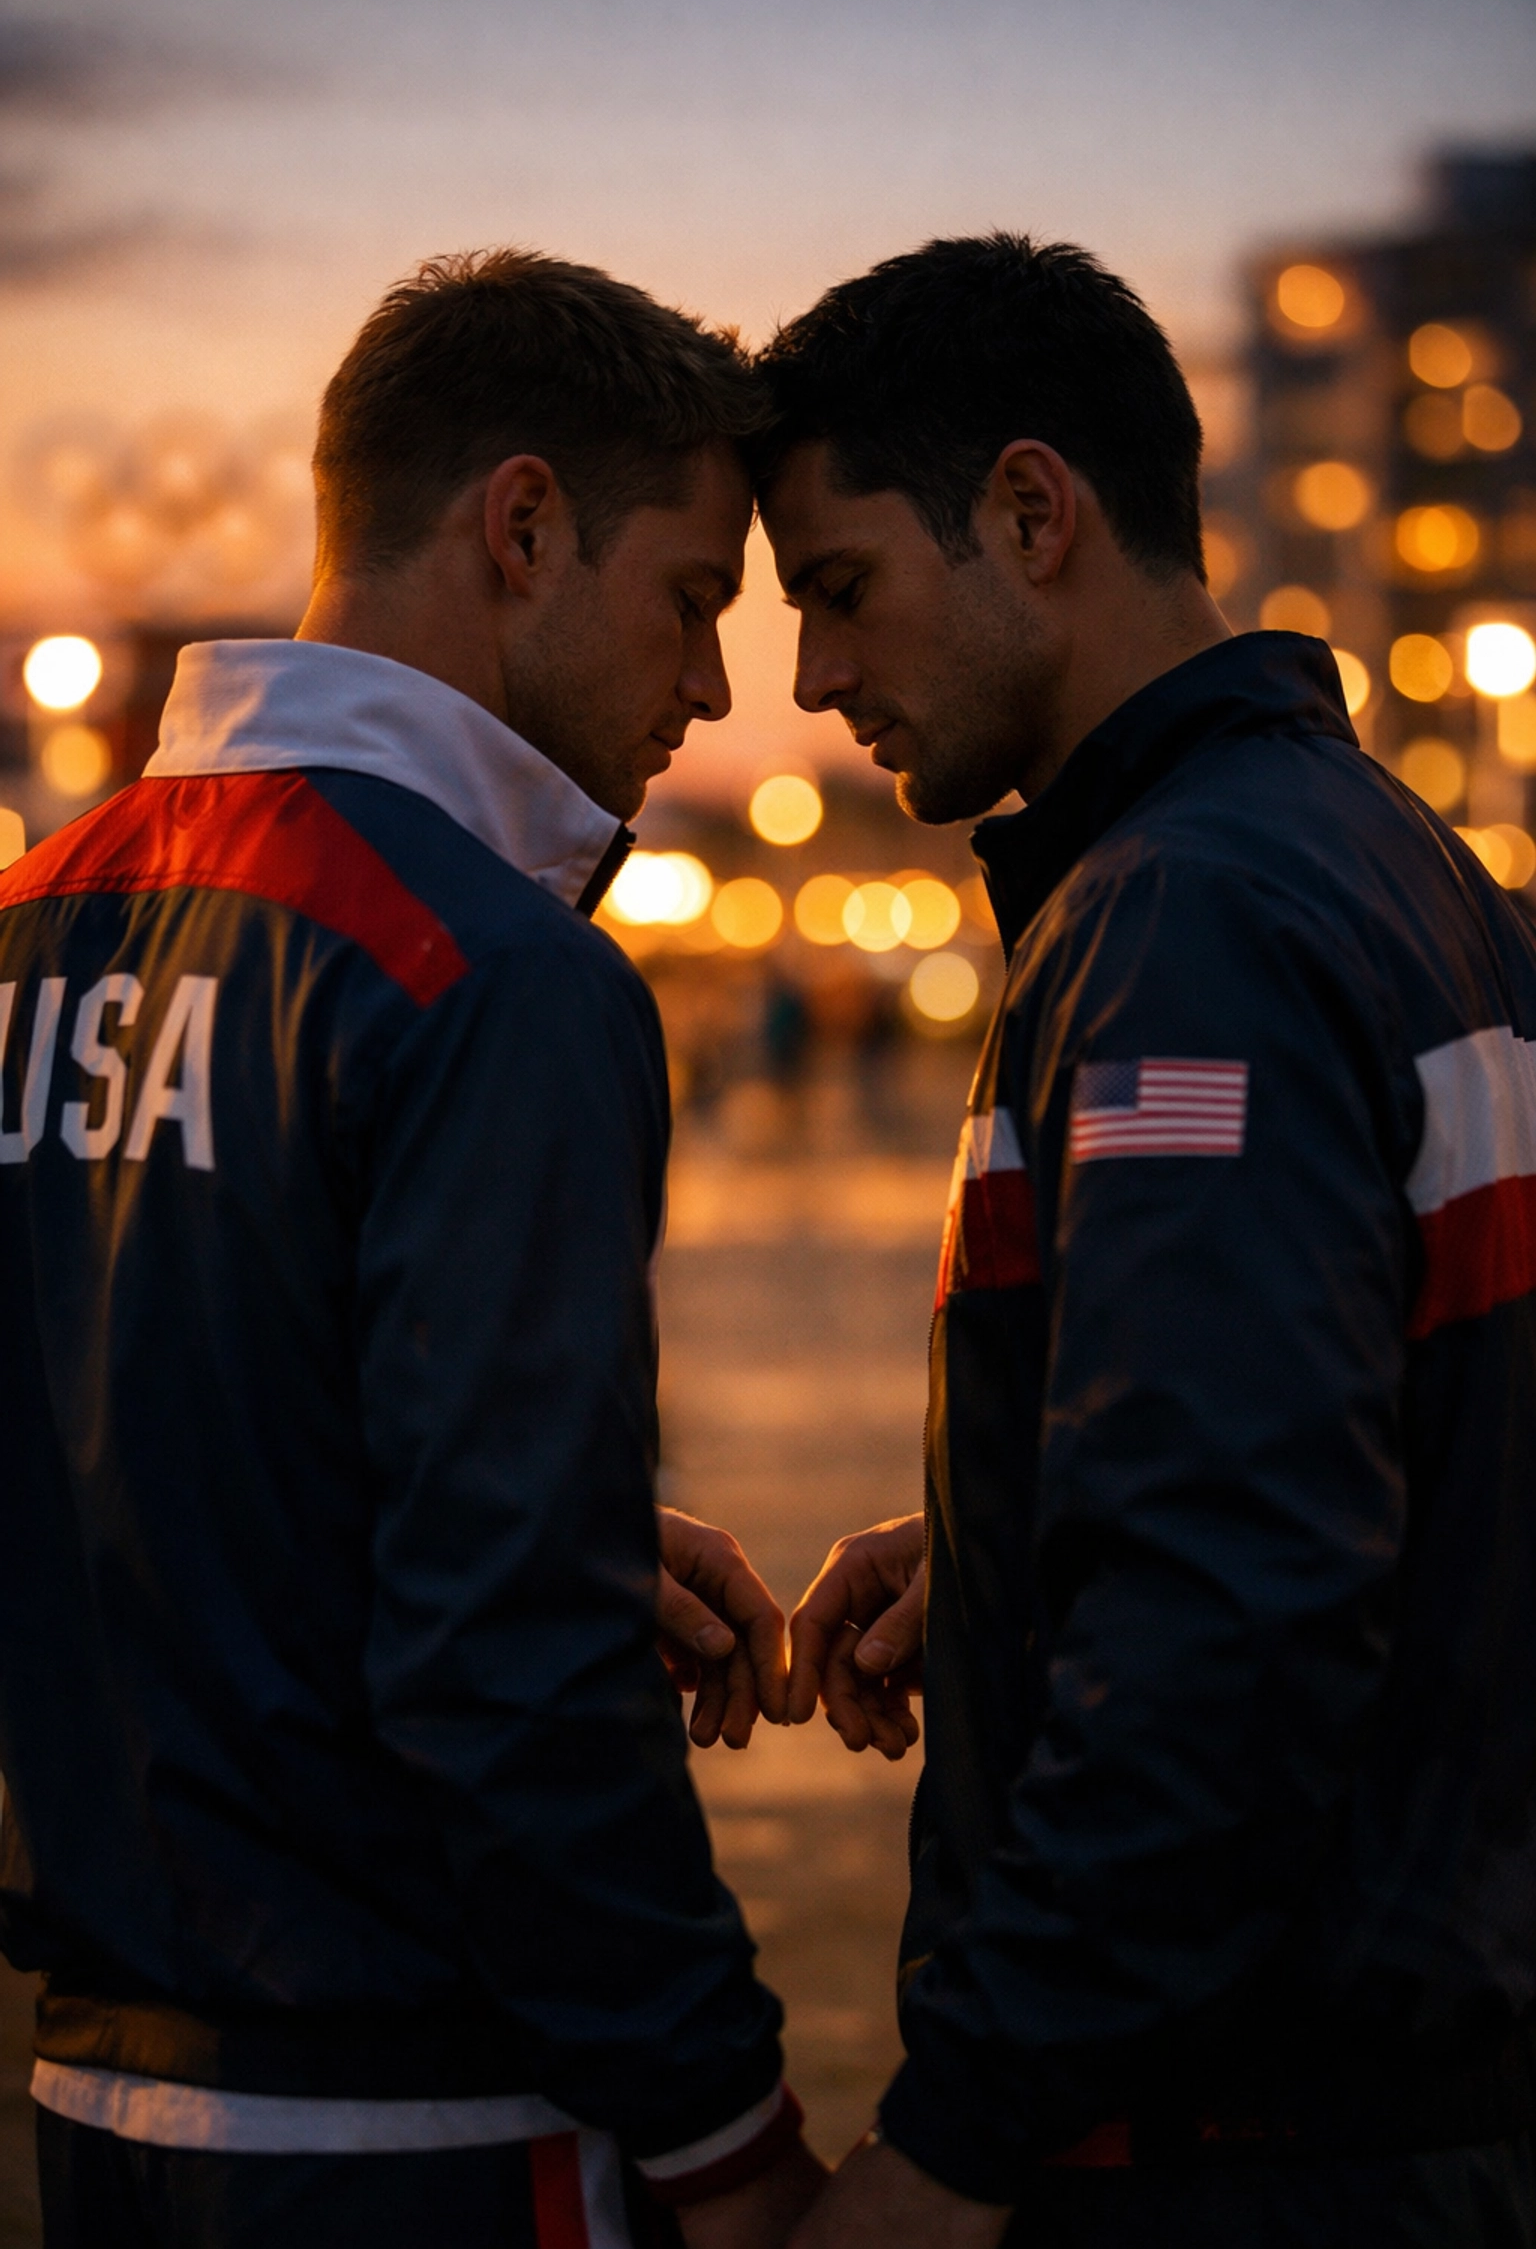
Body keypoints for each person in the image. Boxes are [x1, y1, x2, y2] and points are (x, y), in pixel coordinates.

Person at [0, 251, 824, 2249]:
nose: (715, 688)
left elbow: (140, 1442)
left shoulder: (35, 921)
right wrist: (727, 2130)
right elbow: (507, 1677)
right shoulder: (491, 972)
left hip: (95, 2094)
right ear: (523, 525)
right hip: (422, 2119)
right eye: (697, 595)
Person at [755, 234, 1536, 2248]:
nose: (815, 682)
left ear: (1032, 510)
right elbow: (1427, 1425)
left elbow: (1230, 1610)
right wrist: (1026, 1525)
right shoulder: (1392, 863)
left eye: (841, 591)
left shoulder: (1186, 924)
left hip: (1249, 2154)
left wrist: (954, 2142)